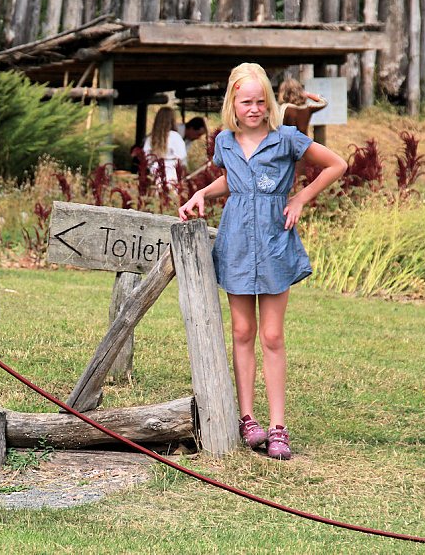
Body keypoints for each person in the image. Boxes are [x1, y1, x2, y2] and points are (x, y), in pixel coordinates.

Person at [177, 63, 346, 460]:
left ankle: (277, 426)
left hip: (273, 244)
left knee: (271, 336)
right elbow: (234, 181)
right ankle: (247, 420)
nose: (253, 108)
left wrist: (301, 198)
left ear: (268, 103)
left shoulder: (286, 138)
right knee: (241, 331)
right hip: (237, 243)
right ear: (232, 105)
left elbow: (336, 164)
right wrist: (203, 193)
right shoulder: (224, 142)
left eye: (259, 101)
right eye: (245, 102)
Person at [142, 106, 187, 183]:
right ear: (172, 120)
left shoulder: (150, 138)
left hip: (154, 176)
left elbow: (146, 159)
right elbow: (182, 159)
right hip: (171, 177)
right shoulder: (175, 137)